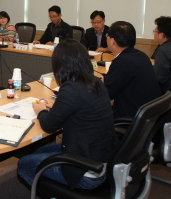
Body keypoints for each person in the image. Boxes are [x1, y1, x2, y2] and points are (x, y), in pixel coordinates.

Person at [18, 39, 115, 190]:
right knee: (39, 151)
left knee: (24, 163)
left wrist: (41, 110)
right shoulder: (96, 82)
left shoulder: (71, 88)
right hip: (101, 159)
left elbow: (49, 125)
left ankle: (55, 192)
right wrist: (57, 106)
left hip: (85, 172)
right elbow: (81, 108)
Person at [103, 21, 161, 119]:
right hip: (145, 115)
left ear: (112, 41)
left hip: (129, 117)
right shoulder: (141, 55)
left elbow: (106, 94)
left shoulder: (122, 61)